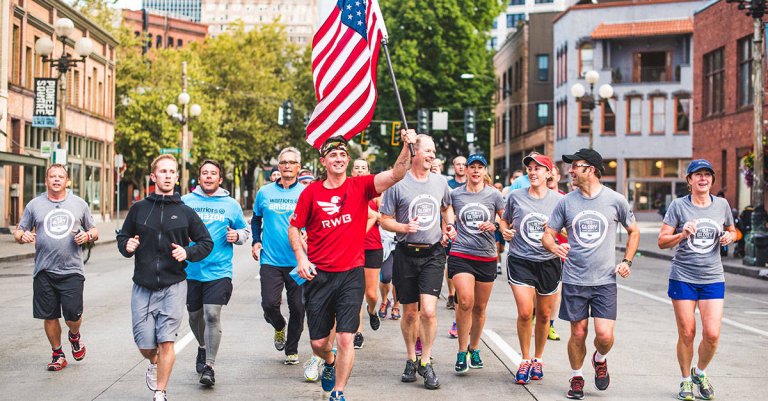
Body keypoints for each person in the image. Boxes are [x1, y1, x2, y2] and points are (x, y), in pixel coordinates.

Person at [288, 131, 415, 401]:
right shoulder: (311, 192)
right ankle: (329, 361)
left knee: (346, 338)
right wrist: (301, 258)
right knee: (319, 342)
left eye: (343, 154)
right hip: (319, 276)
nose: (338, 158)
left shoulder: (361, 187)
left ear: (347, 160)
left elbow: (396, 174)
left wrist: (406, 146)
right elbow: (295, 227)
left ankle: (339, 392)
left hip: (350, 275)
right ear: (323, 161)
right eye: (332, 154)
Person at [541, 148, 640, 400]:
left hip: (605, 280)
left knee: (605, 336)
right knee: (578, 333)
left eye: (575, 166)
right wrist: (555, 247)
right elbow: (547, 235)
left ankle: (600, 358)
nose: (570, 170)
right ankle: (577, 377)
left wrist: (627, 261)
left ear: (591, 169)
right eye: (570, 166)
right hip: (575, 279)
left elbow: (634, 231)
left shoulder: (615, 200)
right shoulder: (565, 202)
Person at [117, 154, 213, 401]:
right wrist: (127, 245)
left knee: (166, 341)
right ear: (154, 176)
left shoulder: (185, 212)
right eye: (163, 171)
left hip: (174, 285)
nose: (168, 176)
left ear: (177, 178)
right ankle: (153, 362)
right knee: (147, 346)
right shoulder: (139, 209)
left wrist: (188, 252)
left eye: (172, 172)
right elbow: (123, 237)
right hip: (143, 286)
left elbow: (206, 242)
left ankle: (160, 392)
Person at [380, 134, 455, 390]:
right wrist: (403, 226)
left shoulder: (440, 182)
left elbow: (447, 208)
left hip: (433, 253)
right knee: (410, 313)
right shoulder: (398, 184)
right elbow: (384, 219)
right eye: (428, 150)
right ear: (414, 152)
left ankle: (426, 361)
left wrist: (450, 226)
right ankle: (411, 358)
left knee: (430, 311)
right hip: (405, 253)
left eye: (434, 151)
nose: (432, 155)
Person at [657, 159, 735, 401]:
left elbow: (733, 230)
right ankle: (685, 380)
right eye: (698, 175)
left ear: (712, 179)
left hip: (713, 277)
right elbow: (662, 241)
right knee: (688, 333)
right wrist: (682, 234)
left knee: (711, 334)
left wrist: (729, 237)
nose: (703, 179)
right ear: (689, 180)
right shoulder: (679, 207)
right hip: (683, 277)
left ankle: (699, 372)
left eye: (707, 175)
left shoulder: (722, 204)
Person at [15, 163, 98, 371]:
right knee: (49, 315)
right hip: (44, 270)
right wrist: (22, 236)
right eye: (52, 176)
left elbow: (94, 230)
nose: (57, 179)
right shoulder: (34, 205)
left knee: (73, 316)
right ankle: (58, 353)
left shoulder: (79, 204)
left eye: (61, 176)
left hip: (72, 270)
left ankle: (74, 335)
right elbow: (18, 231)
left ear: (67, 181)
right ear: (46, 180)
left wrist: (87, 236)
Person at [181, 159, 249, 387]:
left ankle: (209, 366)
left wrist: (237, 236)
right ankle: (202, 346)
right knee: (194, 316)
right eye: (204, 173)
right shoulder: (185, 202)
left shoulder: (231, 204)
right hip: (191, 270)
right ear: (199, 178)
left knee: (212, 315)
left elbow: (244, 229)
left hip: (219, 270)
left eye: (213, 174)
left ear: (220, 179)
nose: (208, 177)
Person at [501, 154, 563, 384]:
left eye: (539, 168)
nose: (533, 172)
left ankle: (538, 358)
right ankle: (525, 359)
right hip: (520, 260)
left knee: (545, 315)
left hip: (548, 262)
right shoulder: (515, 196)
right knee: (526, 312)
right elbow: (504, 220)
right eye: (530, 168)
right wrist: (505, 231)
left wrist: (559, 237)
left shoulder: (559, 200)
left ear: (549, 173)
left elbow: (568, 231)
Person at [446, 154, 504, 375]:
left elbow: (506, 217)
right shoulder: (455, 194)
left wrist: (496, 224)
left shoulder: (494, 195)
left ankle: (474, 348)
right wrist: (449, 226)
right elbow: (446, 211)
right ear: (467, 170)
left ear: (485, 171)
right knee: (466, 302)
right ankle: (462, 351)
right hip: (461, 253)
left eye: (480, 167)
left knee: (479, 308)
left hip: (486, 256)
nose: (476, 171)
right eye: (473, 167)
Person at [252, 148, 307, 367]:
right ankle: (278, 325)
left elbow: (314, 220)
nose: (286, 166)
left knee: (298, 307)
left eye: (291, 162)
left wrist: (309, 234)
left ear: (298, 167)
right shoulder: (264, 193)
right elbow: (256, 219)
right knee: (269, 304)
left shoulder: (305, 193)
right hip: (271, 260)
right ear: (278, 166)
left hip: (298, 262)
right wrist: (256, 240)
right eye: (283, 162)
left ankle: (291, 350)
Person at [351, 158, 383, 349]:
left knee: (371, 293)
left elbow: (384, 216)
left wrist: (374, 218)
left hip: (372, 246)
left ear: (369, 171)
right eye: (356, 168)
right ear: (351, 170)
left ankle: (372, 310)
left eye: (363, 168)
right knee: (354, 292)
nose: (360, 171)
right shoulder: (347, 189)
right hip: (350, 248)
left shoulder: (376, 193)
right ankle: (358, 331)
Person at [378, 224, 400, 320]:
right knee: (386, 277)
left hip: (401, 242)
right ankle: (384, 301)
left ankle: (396, 306)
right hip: (385, 241)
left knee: (398, 278)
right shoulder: (383, 208)